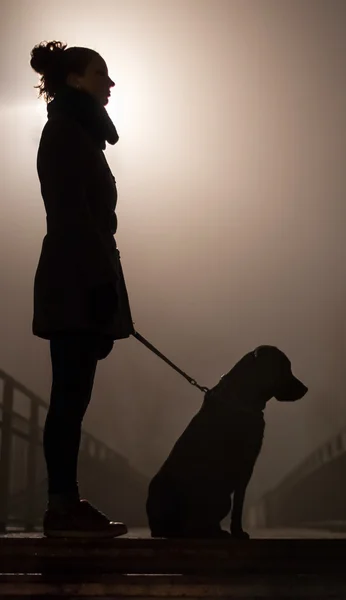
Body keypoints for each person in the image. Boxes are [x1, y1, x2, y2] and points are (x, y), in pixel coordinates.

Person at [30, 40, 135, 538]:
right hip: (74, 278)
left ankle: (64, 504)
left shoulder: (76, 134)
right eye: (100, 74)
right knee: (69, 396)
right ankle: (62, 507)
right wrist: (98, 286)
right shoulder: (66, 134)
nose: (109, 83)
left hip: (79, 275)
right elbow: (74, 217)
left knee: (73, 395)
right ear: (74, 79)